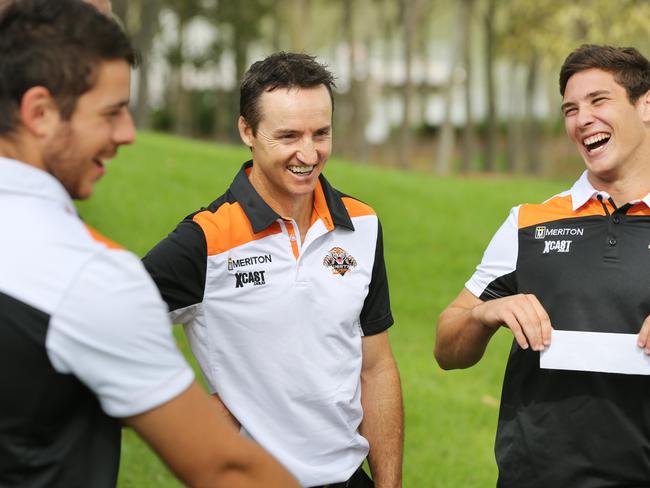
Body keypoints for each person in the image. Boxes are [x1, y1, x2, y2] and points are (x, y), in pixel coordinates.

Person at [0, 1, 299, 487]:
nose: (128, 134)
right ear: (40, 112)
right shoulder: (89, 278)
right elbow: (227, 469)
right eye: (112, 112)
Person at [143, 51, 404, 488]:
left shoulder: (364, 224)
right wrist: (184, 411)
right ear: (247, 130)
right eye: (288, 136)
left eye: (321, 133)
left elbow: (375, 367)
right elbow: (107, 324)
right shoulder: (206, 239)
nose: (308, 153)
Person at [435, 44, 650, 487]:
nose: (581, 118)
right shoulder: (529, 223)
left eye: (598, 100)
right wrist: (484, 314)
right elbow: (446, 347)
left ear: (646, 105)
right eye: (570, 108)